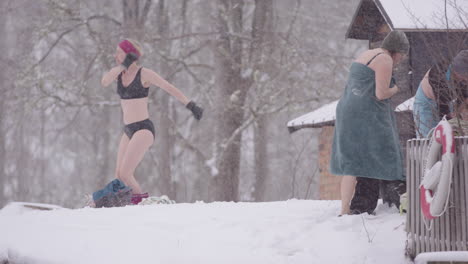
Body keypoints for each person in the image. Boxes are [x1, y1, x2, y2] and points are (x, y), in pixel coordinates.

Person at [93, 39, 203, 207]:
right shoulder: (119, 74)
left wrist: (190, 105)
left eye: (119, 52)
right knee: (118, 175)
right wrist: (122, 66)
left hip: (143, 129)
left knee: (126, 173)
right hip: (128, 130)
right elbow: (104, 81)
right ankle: (128, 203)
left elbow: (168, 87)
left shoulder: (144, 73)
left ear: (128, 53)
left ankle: (140, 203)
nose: (115, 55)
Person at [331, 31, 408, 215]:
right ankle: (398, 197)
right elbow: (381, 94)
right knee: (384, 151)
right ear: (396, 51)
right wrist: (396, 88)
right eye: (402, 55)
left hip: (346, 110)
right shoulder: (385, 59)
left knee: (352, 162)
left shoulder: (366, 54)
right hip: (364, 113)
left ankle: (345, 209)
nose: (401, 60)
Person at [413, 50, 468, 138]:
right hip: (427, 102)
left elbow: (465, 96)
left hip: (446, 101)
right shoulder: (438, 74)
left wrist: (458, 112)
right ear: (458, 72)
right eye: (466, 75)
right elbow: (442, 109)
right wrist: (451, 122)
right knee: (428, 139)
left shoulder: (462, 78)